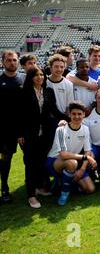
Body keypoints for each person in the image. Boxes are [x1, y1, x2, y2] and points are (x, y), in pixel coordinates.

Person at [18, 66, 63, 208]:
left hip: (46, 134)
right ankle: (31, 195)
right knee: (30, 164)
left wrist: (68, 119)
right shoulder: (24, 92)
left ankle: (39, 187)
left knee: (40, 163)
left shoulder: (48, 91)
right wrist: (19, 133)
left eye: (42, 75)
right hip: (29, 135)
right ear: (31, 77)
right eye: (36, 75)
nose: (40, 77)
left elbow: (55, 111)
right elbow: (18, 115)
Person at [46, 102, 97, 206]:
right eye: (74, 114)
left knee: (90, 189)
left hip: (73, 160)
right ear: (69, 114)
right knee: (72, 163)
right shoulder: (61, 129)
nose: (77, 117)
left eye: (79, 114)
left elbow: (87, 151)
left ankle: (61, 183)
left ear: (83, 115)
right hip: (55, 161)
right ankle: (64, 193)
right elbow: (64, 155)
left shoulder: (85, 129)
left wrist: (82, 170)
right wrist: (87, 157)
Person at [0, 50, 23, 203]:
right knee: (5, 159)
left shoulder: (24, 79)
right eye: (9, 60)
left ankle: (35, 186)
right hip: (3, 129)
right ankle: (5, 189)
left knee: (28, 158)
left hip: (22, 128)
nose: (12, 62)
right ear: (3, 62)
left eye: (14, 60)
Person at [46, 54, 74, 121]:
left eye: (61, 67)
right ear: (50, 68)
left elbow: (68, 106)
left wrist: (65, 120)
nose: (59, 69)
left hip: (61, 119)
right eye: (56, 66)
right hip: (46, 119)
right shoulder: (44, 82)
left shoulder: (68, 84)